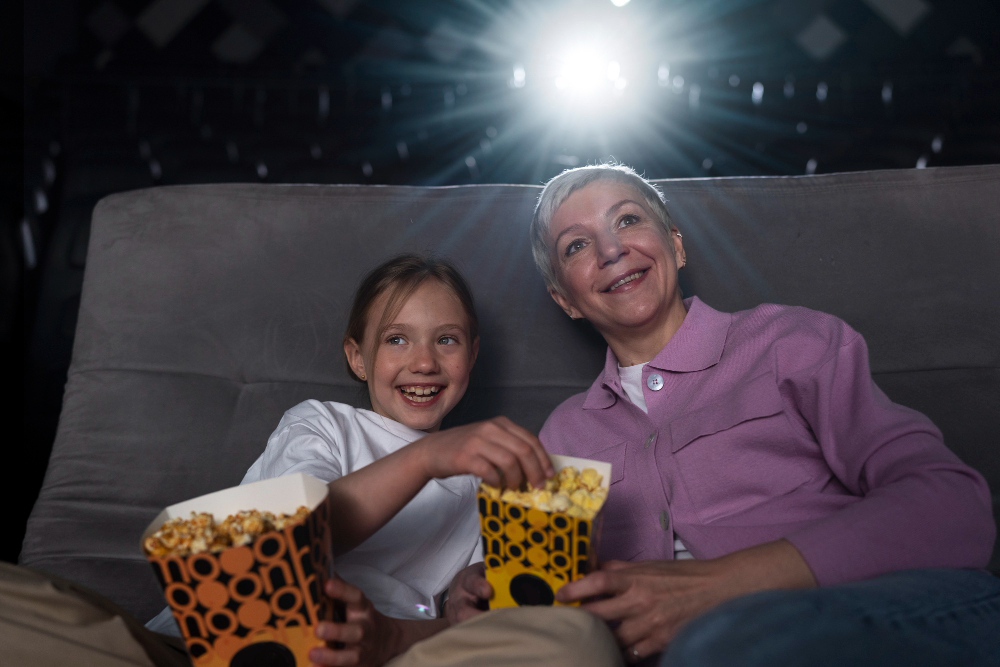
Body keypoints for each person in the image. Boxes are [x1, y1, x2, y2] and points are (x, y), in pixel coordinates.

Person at [445, 164, 1000, 666]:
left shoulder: (791, 343)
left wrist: (717, 585)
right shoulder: (563, 433)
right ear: (564, 299)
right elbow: (545, 593)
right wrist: (481, 587)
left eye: (628, 220)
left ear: (676, 245)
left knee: (719, 644)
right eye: (576, 246)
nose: (611, 250)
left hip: (854, 615)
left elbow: (954, 507)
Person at [148, 254, 619, 667]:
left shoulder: (489, 487)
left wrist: (465, 598)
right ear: (358, 357)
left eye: (447, 340)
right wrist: (428, 456)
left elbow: (478, 619)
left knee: (573, 638)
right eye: (397, 339)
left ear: (472, 355)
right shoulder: (322, 425)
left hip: (390, 647)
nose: (424, 363)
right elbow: (291, 540)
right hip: (232, 637)